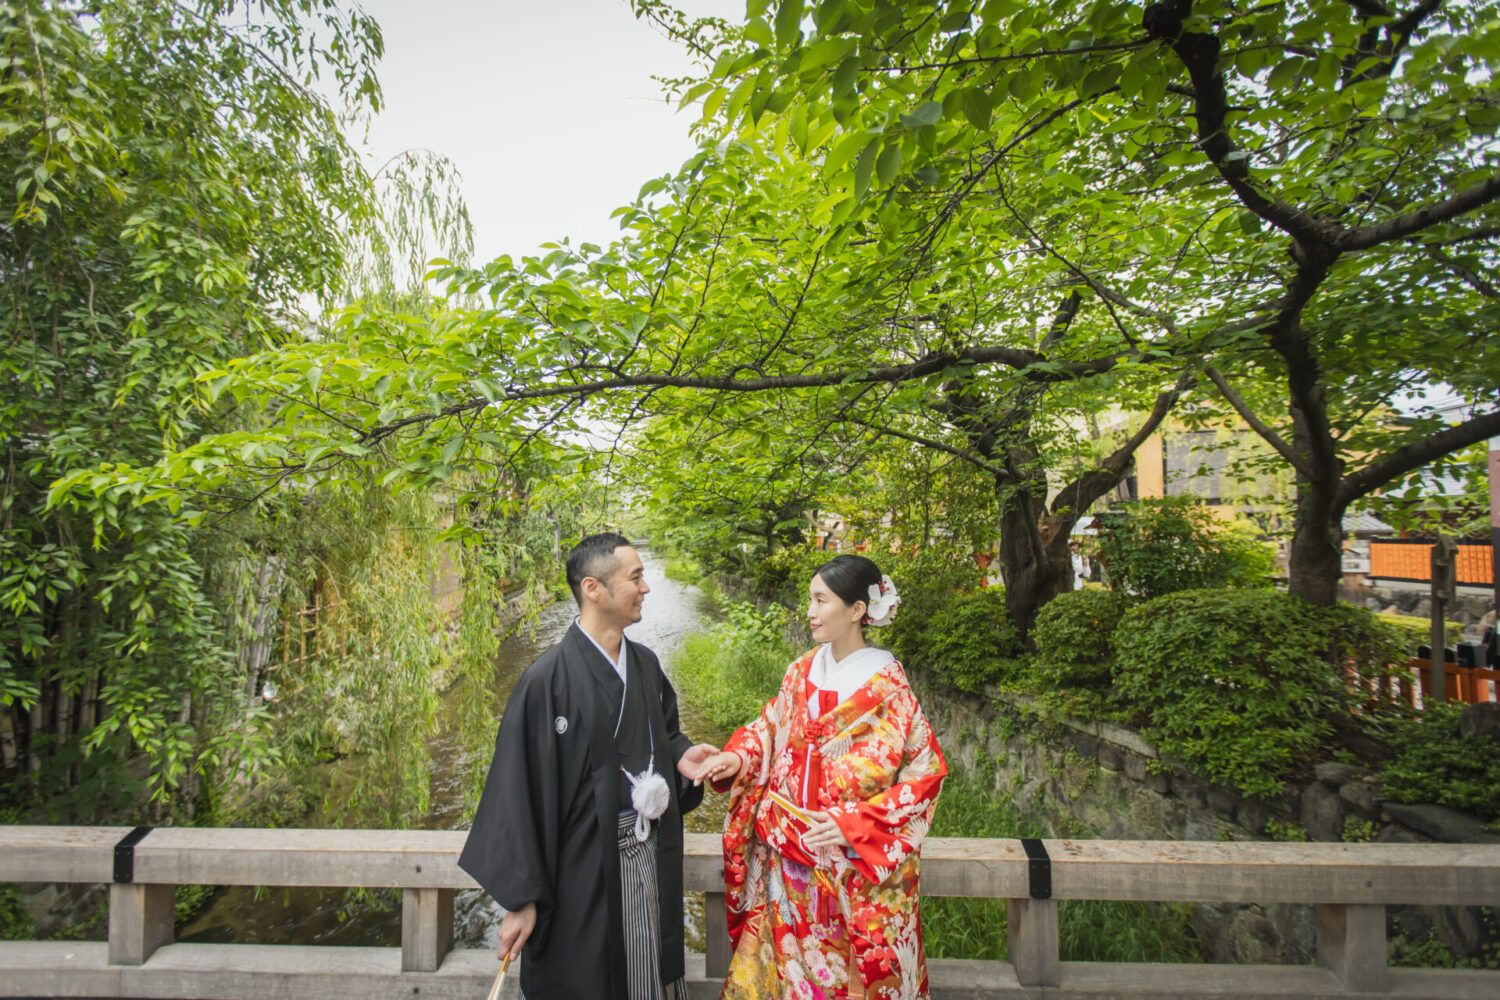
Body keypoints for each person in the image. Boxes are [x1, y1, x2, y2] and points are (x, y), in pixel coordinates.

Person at [459, 533, 717, 999]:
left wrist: (681, 756)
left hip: (647, 859)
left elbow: (663, 735)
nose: (646, 587)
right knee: (586, 979)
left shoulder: (644, 664)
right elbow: (517, 791)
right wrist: (521, 899)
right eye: (635, 577)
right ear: (593, 588)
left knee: (650, 974)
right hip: (579, 872)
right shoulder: (545, 681)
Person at [696, 554, 948, 999]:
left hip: (850, 861)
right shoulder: (801, 669)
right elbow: (771, 726)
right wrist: (738, 757)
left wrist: (859, 823)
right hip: (787, 858)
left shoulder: (888, 687)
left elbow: (925, 773)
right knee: (784, 974)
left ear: (857, 609)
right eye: (810, 599)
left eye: (820, 600)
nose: (810, 611)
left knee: (847, 981)